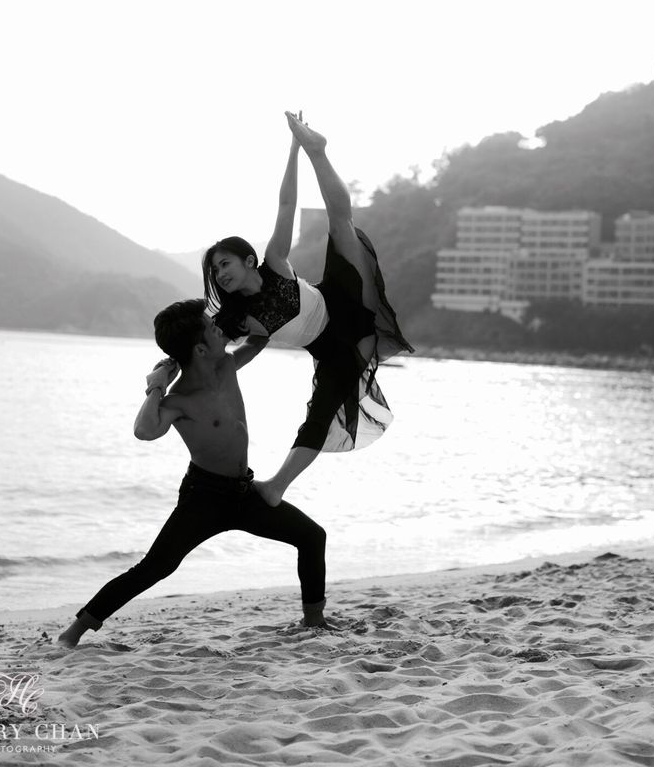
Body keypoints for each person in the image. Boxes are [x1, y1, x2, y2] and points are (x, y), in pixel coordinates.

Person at [57, 299, 328, 648]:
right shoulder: (179, 400)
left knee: (311, 536)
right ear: (200, 348)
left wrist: (254, 305)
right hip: (204, 498)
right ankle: (74, 632)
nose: (219, 329)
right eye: (212, 327)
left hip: (244, 492)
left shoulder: (227, 366)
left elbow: (259, 340)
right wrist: (157, 385)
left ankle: (314, 621)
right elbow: (144, 430)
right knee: (155, 567)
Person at [202, 111, 414, 508]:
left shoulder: (275, 261)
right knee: (318, 419)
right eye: (215, 270)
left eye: (225, 264)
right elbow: (205, 348)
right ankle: (274, 487)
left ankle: (320, 151)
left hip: (343, 299)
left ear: (248, 260)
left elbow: (286, 202)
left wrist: (296, 149)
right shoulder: (235, 318)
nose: (220, 273)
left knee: (341, 224)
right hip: (335, 349)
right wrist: (172, 368)